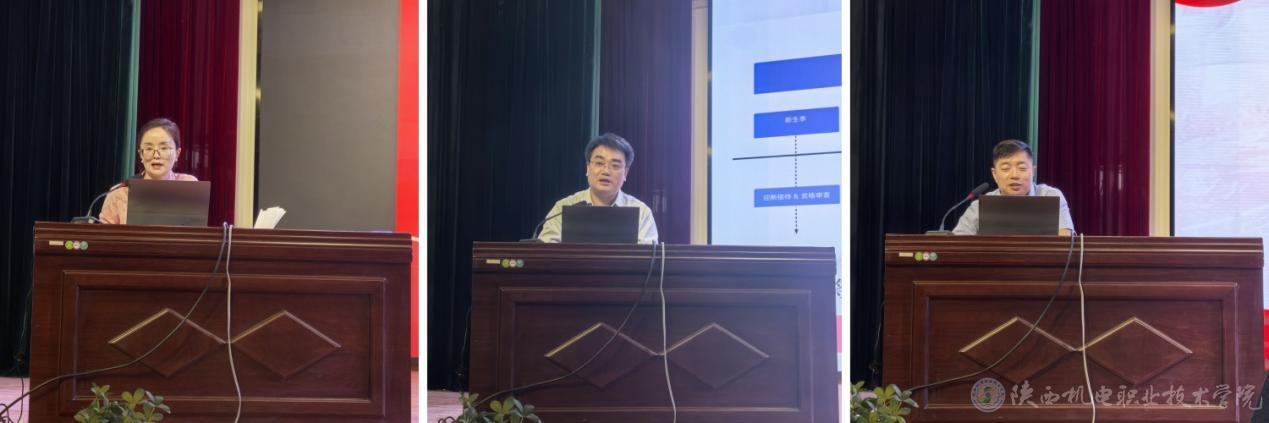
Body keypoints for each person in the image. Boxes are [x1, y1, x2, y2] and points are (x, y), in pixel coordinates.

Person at [536, 133, 659, 243]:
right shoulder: (563, 208)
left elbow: (648, 257)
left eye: (615, 165)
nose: (606, 171)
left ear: (625, 173)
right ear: (588, 168)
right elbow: (545, 252)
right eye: (599, 163)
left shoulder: (642, 212)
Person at [952, 139, 1074, 236]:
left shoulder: (1050, 196)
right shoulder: (980, 206)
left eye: (1022, 168)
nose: (1014, 175)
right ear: (994, 174)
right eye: (1005, 169)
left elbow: (1064, 241)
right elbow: (958, 243)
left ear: (1033, 171)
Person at [99, 118, 199, 224]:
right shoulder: (120, 192)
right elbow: (104, 232)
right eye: (149, 148)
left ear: (177, 154)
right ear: (141, 155)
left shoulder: (189, 185)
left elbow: (196, 229)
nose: (156, 155)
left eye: (164, 148)